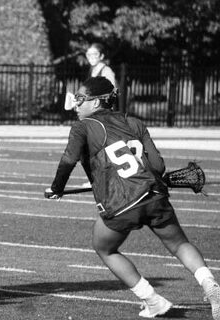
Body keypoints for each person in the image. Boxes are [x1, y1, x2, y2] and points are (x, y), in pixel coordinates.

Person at [45, 76, 220, 319]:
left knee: (104, 247)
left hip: (121, 202)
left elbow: (67, 160)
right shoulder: (134, 122)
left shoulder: (82, 127)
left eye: (80, 99)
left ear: (96, 103)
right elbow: (157, 167)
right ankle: (209, 282)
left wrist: (56, 188)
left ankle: (153, 300)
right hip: (155, 195)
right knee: (179, 244)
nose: (76, 105)